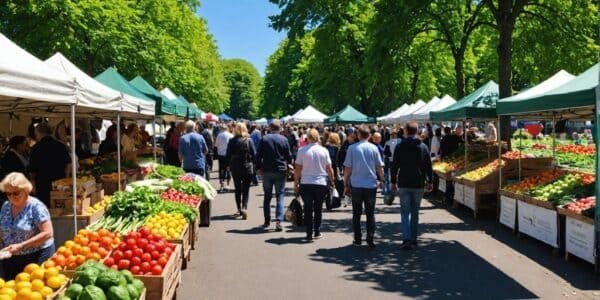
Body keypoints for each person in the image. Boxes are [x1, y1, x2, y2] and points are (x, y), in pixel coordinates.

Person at [0, 172, 54, 279]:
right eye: (8, 194)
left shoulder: (36, 207)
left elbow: (48, 233)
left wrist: (21, 246)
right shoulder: (6, 206)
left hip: (36, 256)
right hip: (10, 256)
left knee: (34, 290)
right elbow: (2, 228)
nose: (11, 197)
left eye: (15, 193)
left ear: (26, 190)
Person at [391, 122, 433, 250]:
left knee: (404, 212)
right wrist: (430, 181)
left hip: (404, 182)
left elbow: (395, 165)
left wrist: (393, 181)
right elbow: (428, 166)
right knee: (415, 212)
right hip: (418, 182)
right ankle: (413, 239)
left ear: (405, 131)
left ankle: (406, 238)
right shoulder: (423, 146)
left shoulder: (400, 146)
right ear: (417, 131)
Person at [343, 125, 384, 248]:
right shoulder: (374, 148)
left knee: (356, 213)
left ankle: (358, 238)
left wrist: (345, 183)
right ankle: (370, 237)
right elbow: (379, 167)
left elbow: (347, 168)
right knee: (370, 213)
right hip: (371, 185)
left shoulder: (352, 148)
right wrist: (382, 179)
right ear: (369, 136)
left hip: (356, 184)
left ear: (358, 135)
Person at [294, 129, 334, 241]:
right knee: (318, 208)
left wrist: (296, 183)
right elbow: (329, 168)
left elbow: (297, 169)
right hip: (320, 182)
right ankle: (317, 231)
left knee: (307, 208)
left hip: (306, 182)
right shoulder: (324, 150)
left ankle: (309, 233)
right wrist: (332, 181)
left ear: (308, 138)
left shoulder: (302, 150)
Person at [256, 120, 292, 231]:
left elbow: (258, 155)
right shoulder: (284, 139)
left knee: (267, 196)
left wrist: (257, 168)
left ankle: (267, 220)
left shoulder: (264, 139)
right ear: (280, 127)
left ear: (270, 128)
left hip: (267, 170)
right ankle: (279, 221)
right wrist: (289, 165)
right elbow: (289, 156)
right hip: (281, 170)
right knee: (280, 196)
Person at [29, 123, 71, 207]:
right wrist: (65, 179)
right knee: (59, 207)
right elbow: (69, 165)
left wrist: (33, 183)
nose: (36, 137)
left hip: (42, 184)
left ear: (39, 133)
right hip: (59, 183)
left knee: (44, 208)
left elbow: (32, 170)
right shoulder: (60, 146)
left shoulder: (36, 148)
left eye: (36, 134)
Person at [226, 123, 256, 219]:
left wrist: (227, 165)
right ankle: (244, 207)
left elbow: (228, 155)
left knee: (237, 189)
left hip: (235, 167)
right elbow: (254, 154)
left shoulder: (231, 141)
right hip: (247, 167)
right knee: (246, 190)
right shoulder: (249, 141)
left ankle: (238, 209)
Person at [383, 128, 403, 203]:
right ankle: (399, 190)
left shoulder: (387, 142)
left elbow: (385, 153)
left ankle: (392, 191)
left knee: (392, 175)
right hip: (401, 161)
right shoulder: (401, 141)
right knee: (399, 175)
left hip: (392, 161)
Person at [324, 133, 343, 203]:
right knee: (335, 181)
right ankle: (333, 196)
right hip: (334, 166)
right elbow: (339, 159)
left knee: (327, 181)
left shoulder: (325, 147)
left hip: (326, 166)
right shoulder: (338, 148)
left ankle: (328, 195)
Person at [215, 124, 234, 191]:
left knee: (221, 169)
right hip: (228, 155)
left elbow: (216, 145)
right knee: (228, 169)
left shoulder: (219, 135)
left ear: (221, 129)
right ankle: (228, 184)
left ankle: (222, 184)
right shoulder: (231, 135)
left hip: (220, 154)